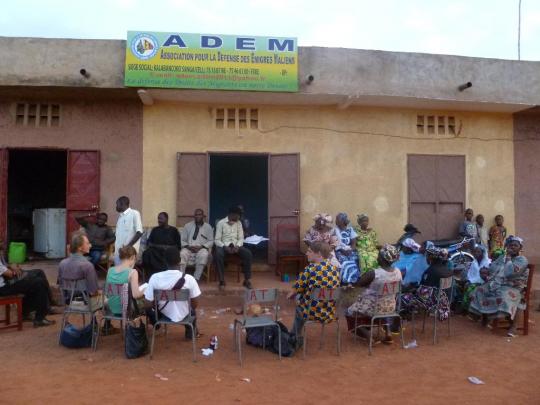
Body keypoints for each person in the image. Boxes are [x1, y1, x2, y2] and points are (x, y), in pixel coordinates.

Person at [469, 236, 529, 336]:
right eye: (511, 245)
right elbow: (492, 267)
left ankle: (513, 326)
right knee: (479, 290)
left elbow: (511, 273)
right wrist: (487, 271)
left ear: (520, 248)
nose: (512, 247)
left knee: (502, 296)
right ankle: (485, 316)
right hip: (499, 284)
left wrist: (508, 259)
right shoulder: (503, 257)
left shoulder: (522, 260)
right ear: (507, 246)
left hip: (514, 287)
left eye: (515, 245)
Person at [288, 241, 340, 347]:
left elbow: (297, 288)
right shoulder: (335, 270)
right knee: (308, 295)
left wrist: (291, 294)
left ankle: (294, 337)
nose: (307, 253)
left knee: (299, 302)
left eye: (310, 251)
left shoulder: (310, 269)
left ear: (319, 254)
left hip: (311, 313)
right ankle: (295, 335)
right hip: (329, 314)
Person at [346, 244, 401, 344]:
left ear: (383, 259)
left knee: (349, 311)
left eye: (379, 255)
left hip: (373, 307)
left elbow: (358, 285)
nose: (377, 257)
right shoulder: (398, 272)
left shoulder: (374, 273)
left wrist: (350, 286)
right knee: (379, 307)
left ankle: (368, 335)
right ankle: (388, 332)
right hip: (390, 307)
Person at [144, 247, 201, 339]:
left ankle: (156, 324)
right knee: (192, 312)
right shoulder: (189, 279)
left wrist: (155, 313)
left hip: (163, 314)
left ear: (164, 260)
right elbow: (195, 303)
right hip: (185, 314)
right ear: (179, 261)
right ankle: (190, 331)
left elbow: (147, 304)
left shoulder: (155, 277)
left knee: (148, 308)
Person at [0, 241, 56, 327]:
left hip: (6, 281)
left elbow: (4, 267)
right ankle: (40, 318)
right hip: (3, 288)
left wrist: (11, 266)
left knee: (39, 272)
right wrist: (17, 271)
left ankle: (42, 308)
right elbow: (9, 274)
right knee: (38, 282)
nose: (2, 243)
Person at [401, 247, 452, 322]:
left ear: (431, 258)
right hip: (445, 302)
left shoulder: (430, 271)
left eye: (427, 256)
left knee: (403, 297)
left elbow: (424, 291)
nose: (426, 258)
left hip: (433, 304)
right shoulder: (448, 270)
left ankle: (404, 318)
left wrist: (412, 289)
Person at [58, 232, 101, 309]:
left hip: (68, 302)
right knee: (109, 298)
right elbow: (93, 291)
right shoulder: (87, 265)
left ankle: (94, 320)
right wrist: (100, 293)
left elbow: (60, 285)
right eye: (87, 243)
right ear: (79, 248)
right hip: (85, 303)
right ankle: (100, 321)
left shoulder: (62, 263)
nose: (90, 245)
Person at [214, 206, 253, 290]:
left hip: (236, 246)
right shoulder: (221, 223)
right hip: (224, 246)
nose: (240, 217)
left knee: (248, 254)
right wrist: (224, 247)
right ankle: (221, 280)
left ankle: (246, 280)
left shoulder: (238, 223)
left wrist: (238, 246)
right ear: (232, 214)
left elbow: (241, 238)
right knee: (218, 254)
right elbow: (217, 240)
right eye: (238, 215)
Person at [105, 245, 144, 316]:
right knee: (146, 302)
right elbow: (136, 295)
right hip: (126, 308)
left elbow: (107, 292)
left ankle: (107, 325)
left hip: (110, 307)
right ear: (132, 257)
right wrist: (146, 289)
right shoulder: (133, 272)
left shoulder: (110, 270)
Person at [142, 212, 181, 277]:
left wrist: (168, 247)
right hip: (156, 252)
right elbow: (149, 243)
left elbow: (178, 246)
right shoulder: (155, 230)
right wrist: (161, 246)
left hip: (168, 251)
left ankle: (166, 276)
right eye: (158, 218)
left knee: (170, 254)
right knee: (147, 253)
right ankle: (150, 277)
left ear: (167, 219)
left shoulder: (174, 230)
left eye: (161, 219)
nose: (159, 220)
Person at [180, 209, 214, 281]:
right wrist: (188, 247)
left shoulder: (208, 227)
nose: (197, 216)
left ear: (203, 216)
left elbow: (211, 241)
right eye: (196, 215)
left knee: (203, 255)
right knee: (182, 253)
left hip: (201, 248)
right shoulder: (187, 226)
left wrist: (202, 246)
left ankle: (196, 278)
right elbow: (182, 240)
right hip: (189, 247)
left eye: (199, 214)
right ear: (194, 216)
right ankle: (181, 277)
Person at [114, 196, 143, 265]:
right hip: (119, 252)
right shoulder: (120, 217)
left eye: (117, 204)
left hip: (128, 252)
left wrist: (128, 247)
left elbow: (139, 232)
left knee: (126, 273)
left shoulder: (134, 213)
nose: (116, 206)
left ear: (122, 204)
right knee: (119, 273)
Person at [334, 213, 360, 284]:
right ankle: (345, 281)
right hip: (339, 250)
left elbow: (353, 243)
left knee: (354, 258)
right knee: (344, 260)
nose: (336, 221)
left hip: (349, 250)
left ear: (343, 221)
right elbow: (334, 244)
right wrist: (342, 250)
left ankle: (354, 279)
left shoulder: (350, 229)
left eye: (337, 219)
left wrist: (351, 250)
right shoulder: (334, 231)